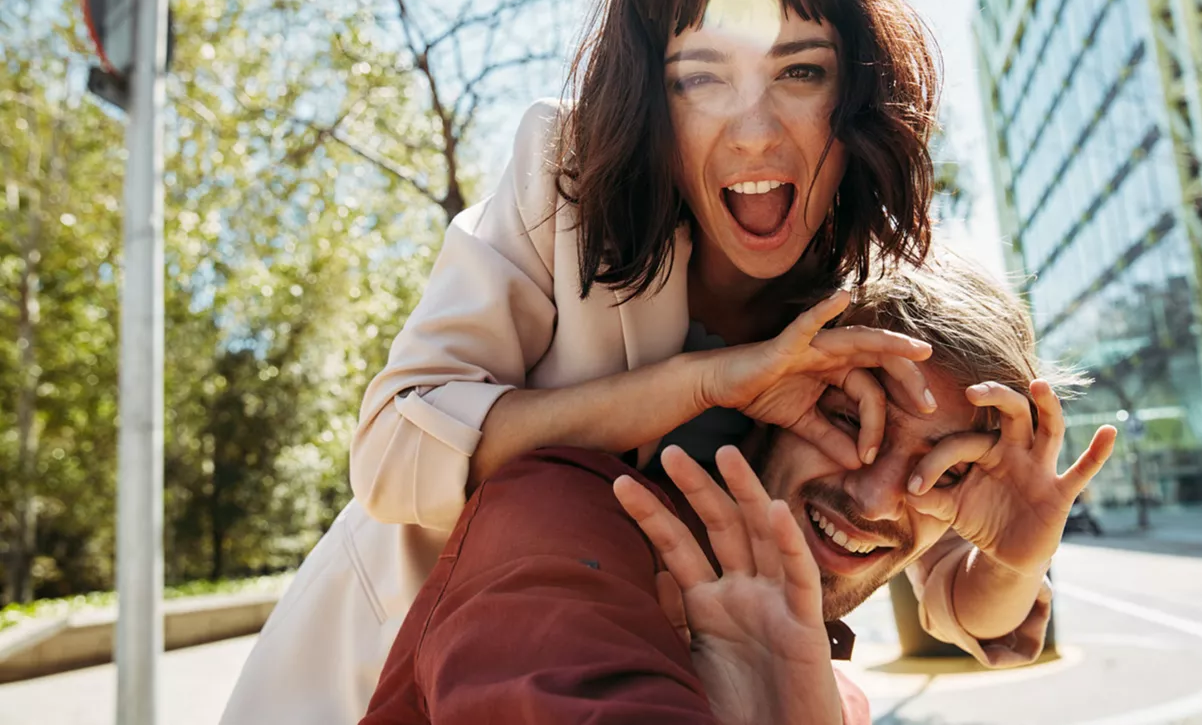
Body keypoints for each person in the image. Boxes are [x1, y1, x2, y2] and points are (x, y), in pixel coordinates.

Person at [223, 0, 983, 722]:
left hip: (657, 677)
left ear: (856, 97)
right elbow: (395, 451)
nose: (756, 128)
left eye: (801, 70)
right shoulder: (568, 181)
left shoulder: (860, 291)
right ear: (653, 104)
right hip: (396, 665)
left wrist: (1012, 568)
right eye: (701, 76)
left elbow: (933, 566)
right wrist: (705, 383)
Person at [358, 256, 1117, 724]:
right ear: (773, 391)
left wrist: (1016, 565)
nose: (883, 496)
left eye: (945, 471)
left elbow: (973, 605)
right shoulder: (562, 520)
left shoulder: (827, 681)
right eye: (855, 419)